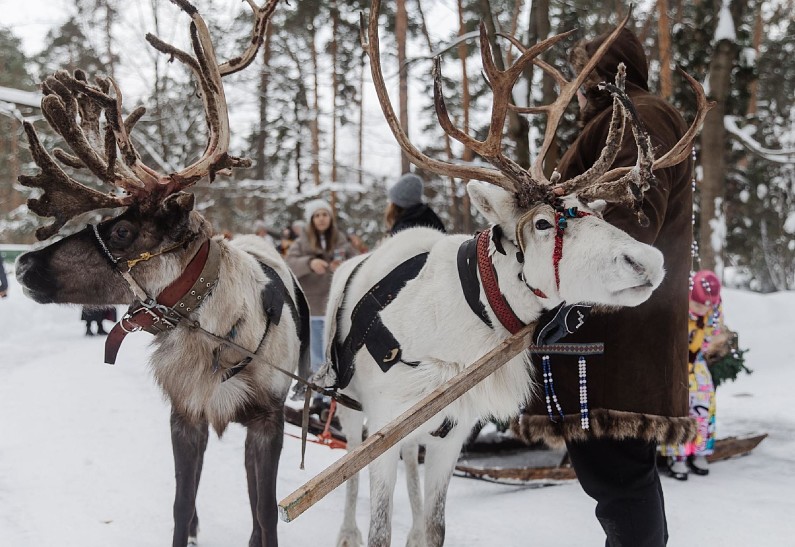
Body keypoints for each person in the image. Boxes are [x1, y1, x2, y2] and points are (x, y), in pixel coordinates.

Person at [514, 27, 695, 547]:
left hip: (615, 335)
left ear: (608, 68)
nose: (576, 79)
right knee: (619, 478)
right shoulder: (621, 118)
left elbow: (630, 226)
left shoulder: (635, 116)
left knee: (618, 478)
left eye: (584, 67)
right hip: (614, 332)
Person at [660, 270, 722, 480]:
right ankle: (677, 456)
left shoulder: (712, 312)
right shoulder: (678, 307)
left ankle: (700, 451)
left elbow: (714, 335)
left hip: (698, 364)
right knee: (680, 405)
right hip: (677, 363)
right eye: (697, 304)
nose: (702, 308)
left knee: (704, 402)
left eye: (707, 305)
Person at [286, 199, 356, 374]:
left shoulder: (341, 240)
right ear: (311, 220)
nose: (321, 219)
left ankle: (337, 386)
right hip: (314, 306)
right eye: (317, 215)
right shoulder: (301, 242)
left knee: (338, 348)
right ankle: (319, 391)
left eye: (324, 214)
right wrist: (310, 263)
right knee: (317, 351)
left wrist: (343, 266)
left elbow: (356, 262)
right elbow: (289, 263)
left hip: (339, 304)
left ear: (331, 218)